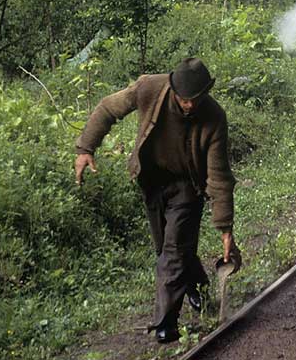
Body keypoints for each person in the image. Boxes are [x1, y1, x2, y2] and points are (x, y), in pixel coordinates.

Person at [73, 57, 238, 343]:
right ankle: (199, 289)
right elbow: (108, 108)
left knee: (173, 252)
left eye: (195, 99)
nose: (188, 105)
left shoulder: (214, 117)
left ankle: (165, 324)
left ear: (205, 93)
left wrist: (225, 229)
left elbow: (219, 177)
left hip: (188, 186)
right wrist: (86, 147)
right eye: (183, 99)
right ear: (173, 88)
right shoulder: (149, 88)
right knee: (166, 248)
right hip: (152, 182)